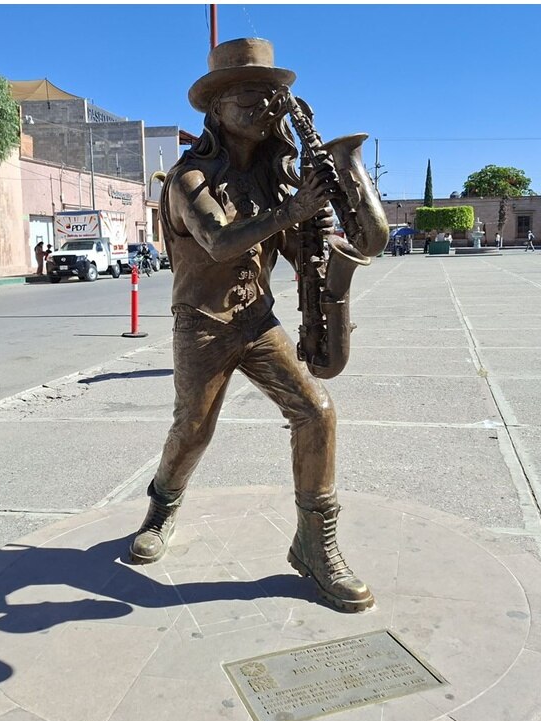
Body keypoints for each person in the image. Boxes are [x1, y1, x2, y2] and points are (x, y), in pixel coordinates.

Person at [129, 38, 387, 613]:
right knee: (193, 430)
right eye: (247, 98)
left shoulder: (278, 179)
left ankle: (315, 547)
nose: (263, 108)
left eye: (271, 98)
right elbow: (219, 241)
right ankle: (162, 506)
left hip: (257, 319)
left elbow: (297, 251)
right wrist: (291, 211)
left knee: (316, 413)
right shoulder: (187, 179)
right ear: (215, 111)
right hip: (202, 322)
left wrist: (328, 225)